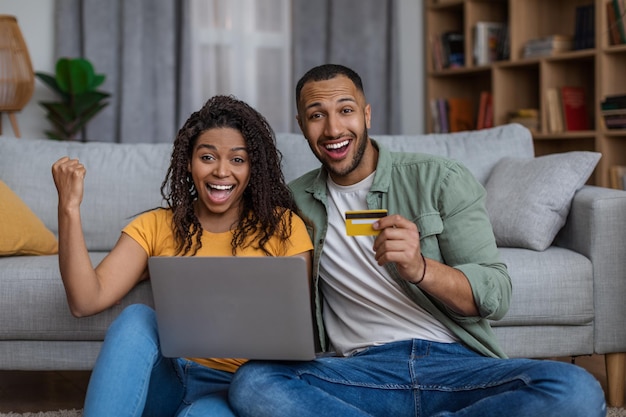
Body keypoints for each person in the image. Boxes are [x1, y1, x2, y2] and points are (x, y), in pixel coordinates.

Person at [228, 64, 607, 417]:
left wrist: (420, 268)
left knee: (574, 389)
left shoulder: (439, 180)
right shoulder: (291, 203)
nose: (332, 129)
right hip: (359, 374)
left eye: (346, 110)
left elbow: (496, 294)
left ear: (367, 115)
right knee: (255, 382)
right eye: (316, 115)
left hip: (454, 365)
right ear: (301, 125)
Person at [51, 95, 313, 417]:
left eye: (237, 160)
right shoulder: (156, 225)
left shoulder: (283, 227)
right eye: (207, 157)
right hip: (168, 379)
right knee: (136, 317)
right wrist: (69, 208)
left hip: (234, 388)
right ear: (189, 163)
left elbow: (296, 333)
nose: (221, 171)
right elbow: (85, 300)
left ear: (253, 168)